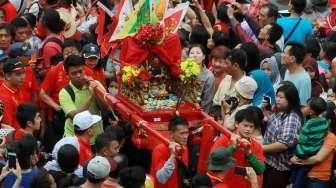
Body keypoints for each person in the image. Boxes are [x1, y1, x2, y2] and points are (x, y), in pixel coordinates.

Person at [212, 108, 265, 188]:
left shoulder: (256, 146)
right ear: (237, 124)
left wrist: (249, 154)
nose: (248, 129)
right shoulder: (224, 139)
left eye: (251, 126)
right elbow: (214, 162)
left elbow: (260, 170)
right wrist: (232, 148)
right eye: (245, 125)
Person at [263, 83, 302, 188]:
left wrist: (260, 148)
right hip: (268, 161)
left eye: (281, 97)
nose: (277, 99)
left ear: (290, 99)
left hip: (278, 168)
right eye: (277, 96)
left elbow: (283, 145)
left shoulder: (292, 118)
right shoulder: (279, 111)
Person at [290, 102, 336, 188]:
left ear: (328, 121)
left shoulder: (331, 137)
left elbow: (318, 158)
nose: (317, 119)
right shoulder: (315, 134)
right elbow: (303, 146)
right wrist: (294, 158)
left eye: (321, 118)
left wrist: (300, 161)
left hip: (318, 179)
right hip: (308, 174)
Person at [59, 55, 103, 139]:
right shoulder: (64, 93)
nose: (78, 75)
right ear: (67, 75)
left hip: (97, 137)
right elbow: (75, 116)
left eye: (80, 71)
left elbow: (106, 107)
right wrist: (91, 96)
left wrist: (97, 90)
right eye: (74, 73)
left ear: (84, 69)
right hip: (74, 139)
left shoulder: (94, 84)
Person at [150, 116, 189, 188]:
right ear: (171, 134)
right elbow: (161, 179)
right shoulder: (159, 149)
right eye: (182, 133)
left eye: (187, 133)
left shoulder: (185, 148)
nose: (185, 136)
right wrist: (172, 156)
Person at [188, 44, 215, 113]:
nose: (195, 55)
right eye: (192, 53)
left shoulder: (209, 76)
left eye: (198, 53)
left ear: (204, 57)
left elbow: (207, 101)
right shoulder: (184, 71)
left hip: (199, 111)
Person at [0, 58, 25, 129]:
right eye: (18, 74)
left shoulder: (17, 86)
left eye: (23, 72)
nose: (22, 77)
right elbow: (8, 127)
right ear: (7, 76)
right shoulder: (4, 98)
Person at [39, 8, 65, 77]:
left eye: (40, 19)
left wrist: (38, 73)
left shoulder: (49, 47)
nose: (39, 21)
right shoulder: (60, 35)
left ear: (44, 23)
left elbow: (51, 71)